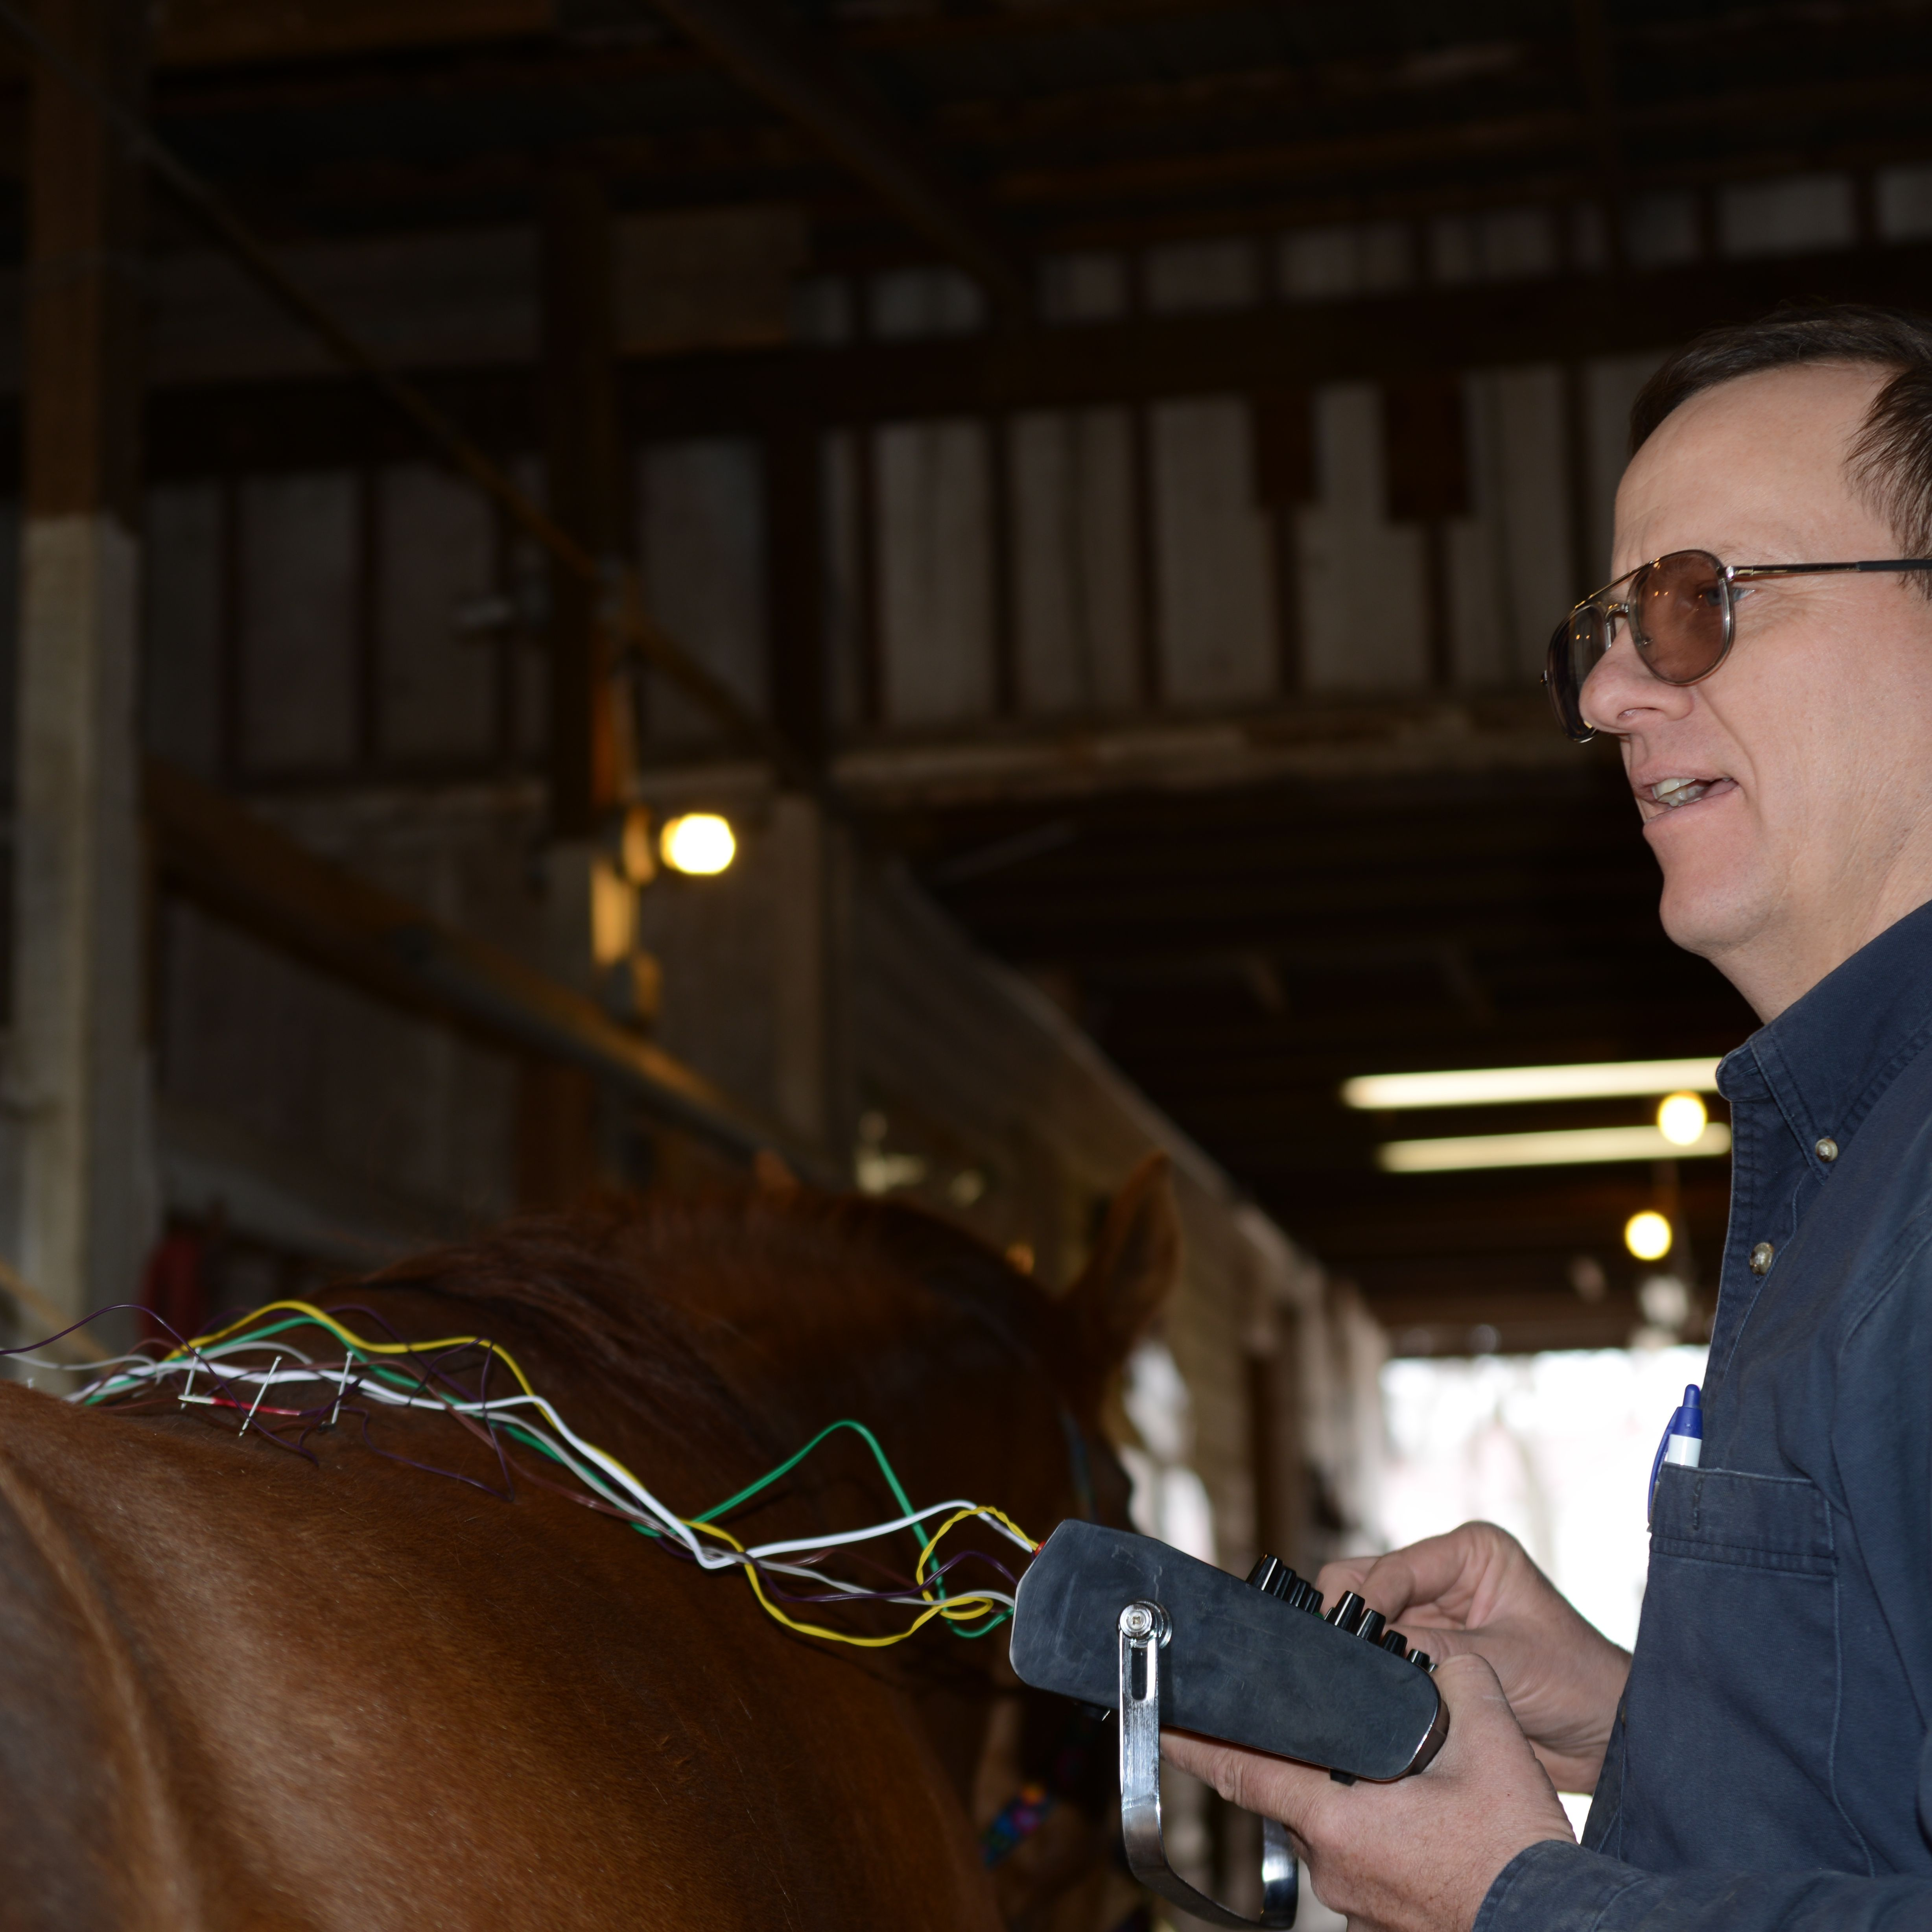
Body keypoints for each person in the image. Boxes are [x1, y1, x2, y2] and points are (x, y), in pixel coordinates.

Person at [1164, 304, 1932, 1930]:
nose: (1603, 695)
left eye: (1693, 604)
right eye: (1605, 623)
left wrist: (1505, 1903)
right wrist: (1632, 1713)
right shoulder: (1852, 1153)